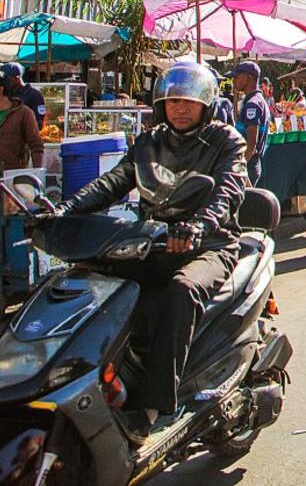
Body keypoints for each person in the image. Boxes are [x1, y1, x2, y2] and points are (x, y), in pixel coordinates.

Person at [57, 62, 247, 444]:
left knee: (181, 289)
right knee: (94, 279)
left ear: (205, 104)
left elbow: (228, 190)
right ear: (162, 103)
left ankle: (152, 407)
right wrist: (63, 212)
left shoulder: (226, 141)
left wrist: (199, 226)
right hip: (152, 241)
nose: (180, 108)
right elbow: (112, 182)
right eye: (173, 100)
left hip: (209, 244)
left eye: (189, 102)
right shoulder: (148, 141)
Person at [230, 62, 270, 186]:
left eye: (237, 77)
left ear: (248, 78)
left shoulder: (253, 104)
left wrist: (239, 167)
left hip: (248, 166)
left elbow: (251, 144)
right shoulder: (257, 100)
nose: (233, 81)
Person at [0, 76, 44, 171]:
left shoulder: (24, 113)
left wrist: (38, 173)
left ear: (1, 89)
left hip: (12, 173)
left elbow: (36, 145)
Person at [1, 63, 45, 129]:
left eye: (7, 78)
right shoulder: (6, 93)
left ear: (17, 78)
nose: (3, 81)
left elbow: (39, 123)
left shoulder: (34, 95)